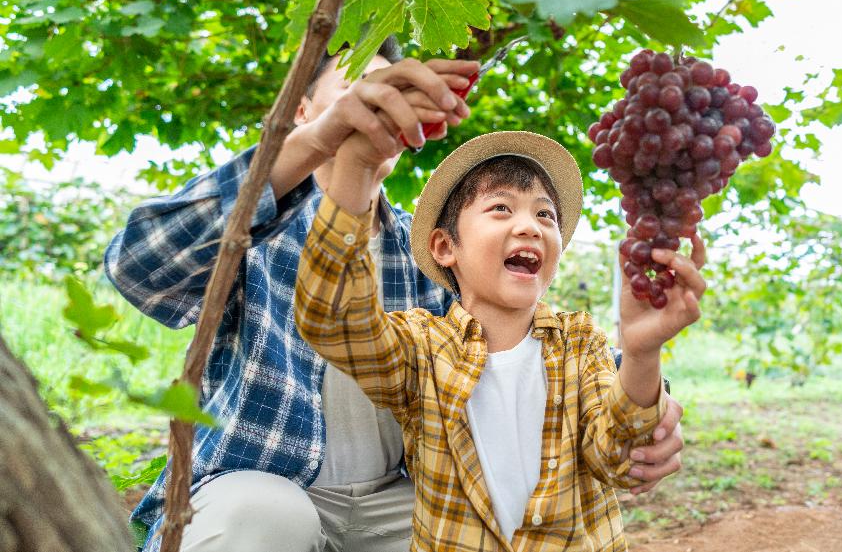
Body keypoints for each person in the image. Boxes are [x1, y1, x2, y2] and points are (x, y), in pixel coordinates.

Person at [105, 40, 685, 552]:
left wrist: (646, 398)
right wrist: (313, 147)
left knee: (480, 525)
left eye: (391, 97)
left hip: (398, 498)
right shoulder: (251, 228)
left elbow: (528, 347)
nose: (376, 110)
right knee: (260, 518)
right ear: (303, 114)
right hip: (262, 484)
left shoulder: (436, 252)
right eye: (358, 92)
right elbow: (138, 265)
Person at [294, 130, 706, 551]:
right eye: (500, 208)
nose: (529, 226)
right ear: (444, 246)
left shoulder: (582, 345)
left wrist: (641, 353)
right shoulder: (420, 349)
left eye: (545, 216)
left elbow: (618, 458)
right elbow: (332, 318)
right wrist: (356, 171)